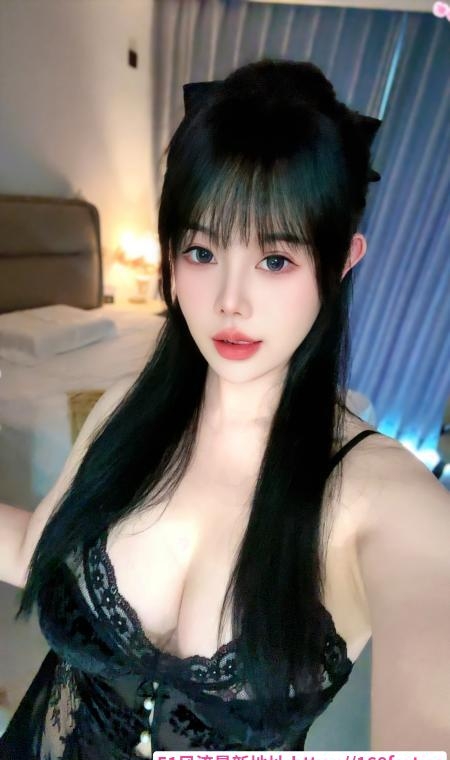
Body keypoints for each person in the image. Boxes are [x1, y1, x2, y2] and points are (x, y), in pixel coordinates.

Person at [0, 58, 449, 758]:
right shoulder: (124, 410)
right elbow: (38, 550)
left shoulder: (386, 498)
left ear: (342, 262)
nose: (229, 301)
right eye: (202, 251)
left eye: (275, 260)